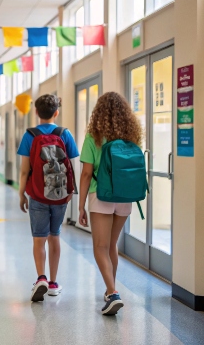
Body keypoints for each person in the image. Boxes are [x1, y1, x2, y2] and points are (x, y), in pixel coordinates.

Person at [78, 92, 143, 316]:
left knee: (100, 246)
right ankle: (109, 290)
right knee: (112, 245)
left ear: (98, 113)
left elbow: (86, 174)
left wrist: (80, 205)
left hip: (101, 196)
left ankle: (113, 293)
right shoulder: (131, 136)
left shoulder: (93, 136)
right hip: (125, 197)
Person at [17, 94, 79, 302]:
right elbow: (72, 165)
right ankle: (53, 283)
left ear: (36, 112)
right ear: (56, 113)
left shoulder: (30, 135)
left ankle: (40, 278)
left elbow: (25, 170)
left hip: (37, 194)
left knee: (38, 239)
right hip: (60, 195)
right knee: (55, 236)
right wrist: (71, 190)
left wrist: (21, 194)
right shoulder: (65, 133)